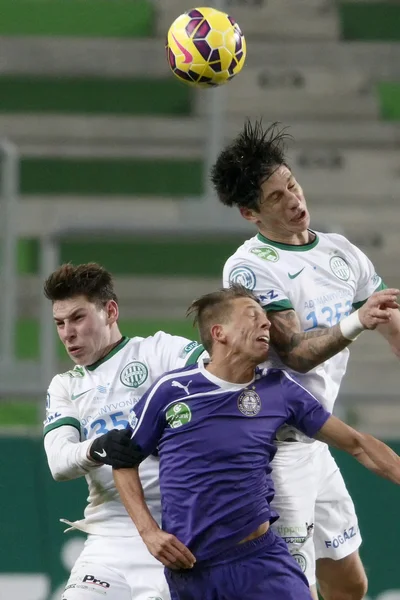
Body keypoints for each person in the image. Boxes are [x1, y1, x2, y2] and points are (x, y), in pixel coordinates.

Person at [210, 119, 400, 600]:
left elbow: (390, 318)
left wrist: (382, 322)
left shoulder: (341, 252)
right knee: (289, 590)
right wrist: (358, 320)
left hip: (315, 440)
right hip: (269, 447)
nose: (295, 200)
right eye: (276, 198)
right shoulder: (249, 267)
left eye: (292, 184)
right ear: (250, 213)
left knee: (350, 584)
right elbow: (295, 353)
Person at [110, 285, 400, 600]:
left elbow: (357, 443)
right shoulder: (171, 390)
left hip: (260, 560)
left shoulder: (279, 390)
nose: (266, 324)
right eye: (253, 317)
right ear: (219, 332)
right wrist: (148, 532)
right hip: (193, 569)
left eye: (266, 318)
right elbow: (124, 461)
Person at [42, 262, 205, 600]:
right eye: (59, 323)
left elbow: (222, 371)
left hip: (175, 533)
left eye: (77, 318)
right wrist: (98, 447)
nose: (67, 333)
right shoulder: (65, 386)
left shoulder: (159, 352)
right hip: (108, 536)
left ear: (110, 311)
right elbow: (58, 462)